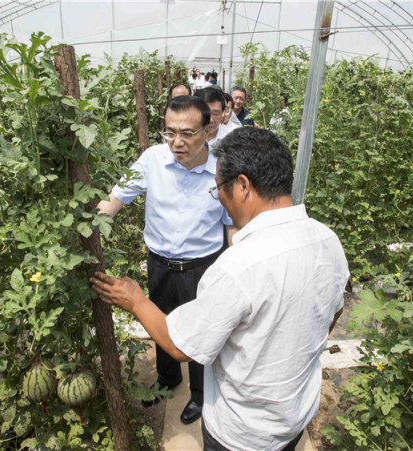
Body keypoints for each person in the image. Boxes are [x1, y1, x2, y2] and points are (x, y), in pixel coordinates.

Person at [91, 126, 349, 450]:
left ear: (242, 185)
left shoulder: (238, 266)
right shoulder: (326, 239)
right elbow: (333, 311)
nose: (221, 201)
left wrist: (135, 300)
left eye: (218, 189)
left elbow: (181, 346)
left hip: (241, 433)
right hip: (296, 415)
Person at [96, 95, 236, 425]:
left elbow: (232, 225)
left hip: (203, 266)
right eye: (170, 132)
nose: (177, 142)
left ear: (209, 129)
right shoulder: (152, 160)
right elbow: (116, 199)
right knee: (160, 320)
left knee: (203, 333)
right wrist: (89, 226)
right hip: (160, 263)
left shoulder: (222, 170)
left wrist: (235, 268)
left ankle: (200, 393)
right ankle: (167, 377)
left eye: (187, 133)